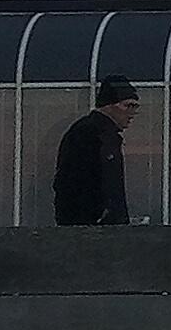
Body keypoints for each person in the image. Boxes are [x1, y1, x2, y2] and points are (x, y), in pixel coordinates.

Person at [52, 76, 136, 226]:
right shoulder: (93, 134)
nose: (132, 113)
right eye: (128, 106)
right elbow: (79, 181)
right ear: (109, 105)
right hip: (93, 226)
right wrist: (103, 215)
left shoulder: (89, 131)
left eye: (134, 107)